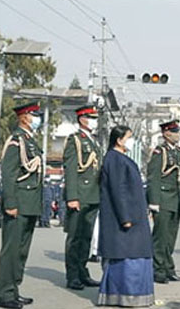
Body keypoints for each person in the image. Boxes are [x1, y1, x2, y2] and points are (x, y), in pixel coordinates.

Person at [95, 125, 154, 307]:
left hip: (135, 215)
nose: (131, 141)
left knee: (137, 253)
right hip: (125, 218)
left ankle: (135, 296)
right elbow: (118, 190)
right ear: (119, 140)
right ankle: (122, 295)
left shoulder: (121, 158)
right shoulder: (114, 159)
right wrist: (125, 217)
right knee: (127, 254)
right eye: (129, 137)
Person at [0, 102, 44, 309]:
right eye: (35, 115)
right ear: (24, 117)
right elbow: (9, 174)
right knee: (11, 250)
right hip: (19, 203)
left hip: (30, 203)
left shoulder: (30, 140)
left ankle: (14, 289)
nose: (38, 118)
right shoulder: (16, 141)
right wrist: (11, 203)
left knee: (22, 251)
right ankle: (4, 294)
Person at [63, 105, 102, 290]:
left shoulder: (94, 141)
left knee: (86, 237)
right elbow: (71, 170)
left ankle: (82, 271)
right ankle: (72, 276)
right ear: (82, 119)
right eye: (92, 117)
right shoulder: (75, 140)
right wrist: (72, 196)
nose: (95, 121)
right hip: (79, 195)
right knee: (75, 238)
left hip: (93, 195)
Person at [146, 119, 180, 284]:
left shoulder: (179, 152)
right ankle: (157, 269)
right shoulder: (159, 152)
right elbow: (153, 177)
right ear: (166, 133)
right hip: (162, 199)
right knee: (160, 237)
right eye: (175, 132)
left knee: (170, 237)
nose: (178, 135)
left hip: (175, 199)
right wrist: (153, 201)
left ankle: (169, 268)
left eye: (178, 131)